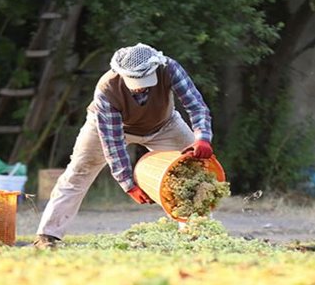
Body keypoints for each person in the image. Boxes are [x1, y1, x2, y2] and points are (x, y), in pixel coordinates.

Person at [33, 43, 214, 249]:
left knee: (192, 169)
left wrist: (203, 138)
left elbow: (196, 106)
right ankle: (48, 235)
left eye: (145, 80)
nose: (141, 86)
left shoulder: (169, 68)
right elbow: (113, 142)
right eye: (136, 81)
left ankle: (197, 234)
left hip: (165, 125)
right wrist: (128, 183)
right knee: (79, 170)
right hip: (112, 127)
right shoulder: (107, 88)